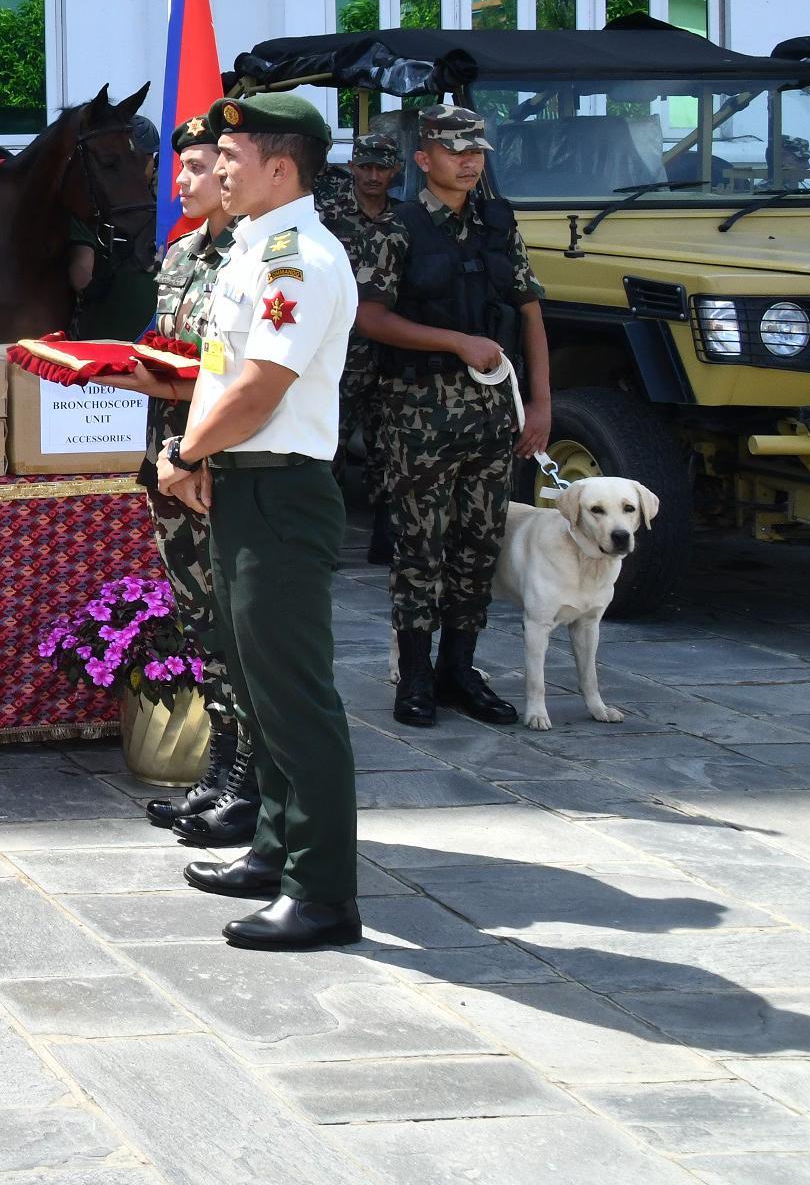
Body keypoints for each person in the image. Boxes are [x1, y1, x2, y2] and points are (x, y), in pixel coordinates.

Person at [156, 93, 363, 951]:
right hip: (244, 484)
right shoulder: (253, 251)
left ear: (281, 166)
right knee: (258, 688)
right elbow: (220, 371)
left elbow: (258, 390)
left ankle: (323, 894)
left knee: (294, 697)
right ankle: (275, 850)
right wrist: (206, 456)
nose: (218, 170)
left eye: (232, 157)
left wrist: (186, 454)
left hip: (280, 489)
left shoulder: (298, 259)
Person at [345, 104, 548, 730]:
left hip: (490, 413)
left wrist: (541, 404)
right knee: (419, 548)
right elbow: (369, 317)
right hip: (418, 413)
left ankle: (461, 670)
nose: (468, 161)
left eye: (477, 151)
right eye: (455, 150)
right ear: (423, 159)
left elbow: (531, 311)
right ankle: (416, 677)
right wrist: (454, 342)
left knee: (477, 545)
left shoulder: (496, 223)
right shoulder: (398, 230)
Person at [114, 113, 253, 846]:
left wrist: (166, 391)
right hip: (171, 464)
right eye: (184, 168)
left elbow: (232, 374)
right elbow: (167, 350)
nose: (184, 182)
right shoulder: (180, 257)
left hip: (222, 465)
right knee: (198, 617)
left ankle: (249, 780)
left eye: (200, 168)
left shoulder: (255, 261)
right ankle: (220, 765)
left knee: (238, 620)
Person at [317, 131, 407, 566]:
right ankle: (328, 539)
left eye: (381, 167)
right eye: (365, 166)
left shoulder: (406, 221)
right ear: (351, 167)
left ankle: (386, 538)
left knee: (386, 445)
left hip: (389, 351)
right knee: (330, 443)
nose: (373, 176)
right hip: (339, 351)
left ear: (395, 170)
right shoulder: (326, 214)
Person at [68, 119, 159, 340]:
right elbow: (80, 277)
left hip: (148, 340)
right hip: (106, 339)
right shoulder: (91, 205)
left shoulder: (174, 205)